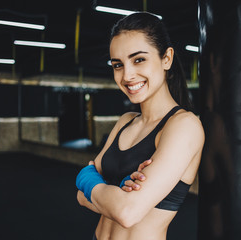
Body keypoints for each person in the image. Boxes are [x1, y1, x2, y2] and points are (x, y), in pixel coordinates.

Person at [76, 12, 205, 240]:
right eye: (118, 64)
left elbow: (127, 212)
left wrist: (88, 179)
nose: (127, 75)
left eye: (138, 59)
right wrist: (115, 194)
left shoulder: (184, 125)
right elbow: (79, 197)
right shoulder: (126, 121)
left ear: (166, 58)